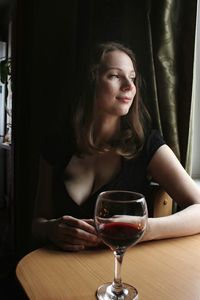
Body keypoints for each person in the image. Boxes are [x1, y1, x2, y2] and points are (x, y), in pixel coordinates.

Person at [32, 41, 200, 252]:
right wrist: (50, 229)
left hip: (121, 274)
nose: (129, 87)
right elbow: (37, 223)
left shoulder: (146, 144)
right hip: (60, 269)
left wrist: (143, 228)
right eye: (115, 76)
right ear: (91, 81)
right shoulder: (55, 145)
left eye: (132, 78)